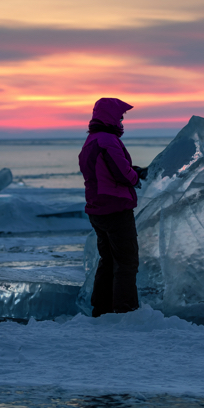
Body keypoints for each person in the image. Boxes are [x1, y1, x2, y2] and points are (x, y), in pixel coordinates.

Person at [78, 98, 148, 317]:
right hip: (115, 208)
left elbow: (106, 169)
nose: (121, 121)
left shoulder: (92, 140)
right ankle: (126, 311)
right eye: (120, 117)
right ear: (110, 117)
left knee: (108, 260)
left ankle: (101, 309)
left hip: (98, 208)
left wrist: (133, 170)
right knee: (127, 261)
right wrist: (136, 177)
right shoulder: (107, 140)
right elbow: (121, 173)